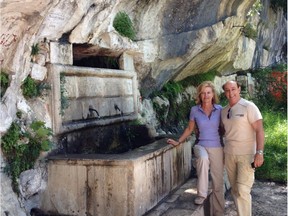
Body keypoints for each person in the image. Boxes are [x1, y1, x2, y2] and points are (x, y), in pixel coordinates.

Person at [167, 81, 225, 216]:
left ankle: (219, 211)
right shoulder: (195, 110)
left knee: (218, 180)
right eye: (203, 93)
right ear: (200, 95)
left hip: (217, 147)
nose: (206, 96)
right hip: (201, 145)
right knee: (203, 159)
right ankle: (202, 195)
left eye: (208, 92)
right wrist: (178, 142)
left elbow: (225, 128)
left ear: (213, 94)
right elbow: (189, 129)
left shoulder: (220, 109)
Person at [221, 80, 265, 216]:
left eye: (233, 89)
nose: (231, 93)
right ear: (225, 93)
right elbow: (223, 131)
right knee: (235, 190)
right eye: (227, 90)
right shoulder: (224, 111)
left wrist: (259, 152)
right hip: (229, 154)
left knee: (242, 190)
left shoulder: (249, 107)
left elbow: (259, 130)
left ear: (239, 89)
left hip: (246, 155)